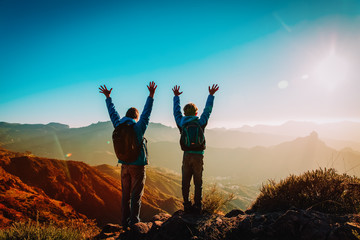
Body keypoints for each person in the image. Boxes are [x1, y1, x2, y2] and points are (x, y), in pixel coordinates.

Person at [99, 82, 157, 227]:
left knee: (125, 196)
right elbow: (147, 112)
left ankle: (124, 223)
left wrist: (108, 97)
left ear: (126, 116)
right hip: (137, 167)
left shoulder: (119, 125)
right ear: (136, 117)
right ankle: (134, 224)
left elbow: (112, 113)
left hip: (124, 165)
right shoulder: (138, 127)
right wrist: (151, 95)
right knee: (136, 196)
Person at [172, 84, 219, 214]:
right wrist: (211, 95)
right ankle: (198, 206)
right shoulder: (200, 122)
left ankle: (187, 205)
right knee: (198, 182)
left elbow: (176, 112)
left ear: (185, 112)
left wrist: (176, 97)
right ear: (196, 112)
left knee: (185, 182)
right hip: (199, 156)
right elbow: (208, 110)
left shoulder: (182, 122)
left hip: (186, 155)